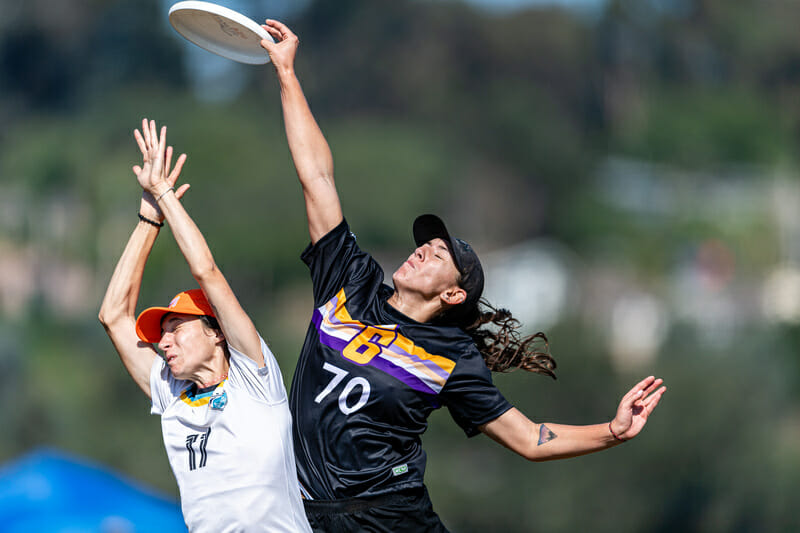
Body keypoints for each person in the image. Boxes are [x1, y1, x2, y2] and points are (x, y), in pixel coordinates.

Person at [259, 20, 667, 533]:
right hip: (311, 517)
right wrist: (287, 75)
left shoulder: (452, 356)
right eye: (423, 245)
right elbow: (316, 177)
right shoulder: (349, 283)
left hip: (392, 518)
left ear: (453, 292)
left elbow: (528, 438)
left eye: (437, 253)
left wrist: (612, 430)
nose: (421, 252)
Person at [98, 119, 312, 533]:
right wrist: (148, 219)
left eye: (176, 327)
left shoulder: (254, 376)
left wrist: (164, 194)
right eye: (163, 332)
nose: (164, 341)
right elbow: (113, 316)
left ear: (215, 333)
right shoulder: (172, 391)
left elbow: (206, 272)